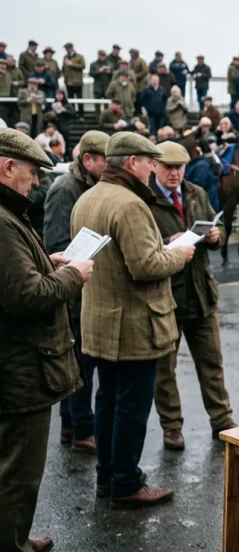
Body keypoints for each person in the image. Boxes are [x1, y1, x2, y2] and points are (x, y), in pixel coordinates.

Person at [70, 132, 195, 508]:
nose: (153, 168)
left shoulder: (87, 198)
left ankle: (109, 477)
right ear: (131, 163)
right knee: (131, 407)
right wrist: (180, 254)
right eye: (149, 161)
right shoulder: (130, 204)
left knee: (107, 399)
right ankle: (125, 482)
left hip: (101, 321)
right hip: (134, 324)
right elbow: (145, 266)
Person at [0, 129, 93, 552]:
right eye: (32, 172)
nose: (36, 182)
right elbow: (27, 297)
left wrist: (46, 261)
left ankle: (14, 535)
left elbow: (17, 278)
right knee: (18, 473)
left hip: (15, 364)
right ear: (7, 167)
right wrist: (73, 274)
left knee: (12, 468)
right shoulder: (3, 221)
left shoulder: (8, 214)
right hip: (19, 371)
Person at [148, 142, 236, 449]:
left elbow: (218, 225)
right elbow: (137, 245)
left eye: (179, 168)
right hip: (166, 299)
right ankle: (172, 427)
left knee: (212, 363)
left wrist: (215, 236)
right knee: (164, 370)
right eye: (167, 167)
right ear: (154, 166)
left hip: (201, 294)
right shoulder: (145, 199)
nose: (174, 174)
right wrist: (164, 242)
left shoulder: (197, 193)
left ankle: (222, 421)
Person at [43, 130, 109, 452]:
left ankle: (72, 426)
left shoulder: (89, 186)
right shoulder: (64, 189)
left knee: (81, 362)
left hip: (84, 285)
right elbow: (55, 243)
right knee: (81, 363)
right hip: (73, 290)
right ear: (88, 160)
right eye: (104, 161)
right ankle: (81, 429)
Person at [61, 42, 85, 115]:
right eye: (66, 48)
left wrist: (72, 64)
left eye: (68, 48)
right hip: (68, 81)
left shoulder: (79, 56)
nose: (67, 50)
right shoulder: (65, 57)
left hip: (77, 82)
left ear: (71, 48)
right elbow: (63, 68)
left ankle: (81, 114)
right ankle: (73, 113)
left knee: (79, 98)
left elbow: (83, 66)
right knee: (70, 99)